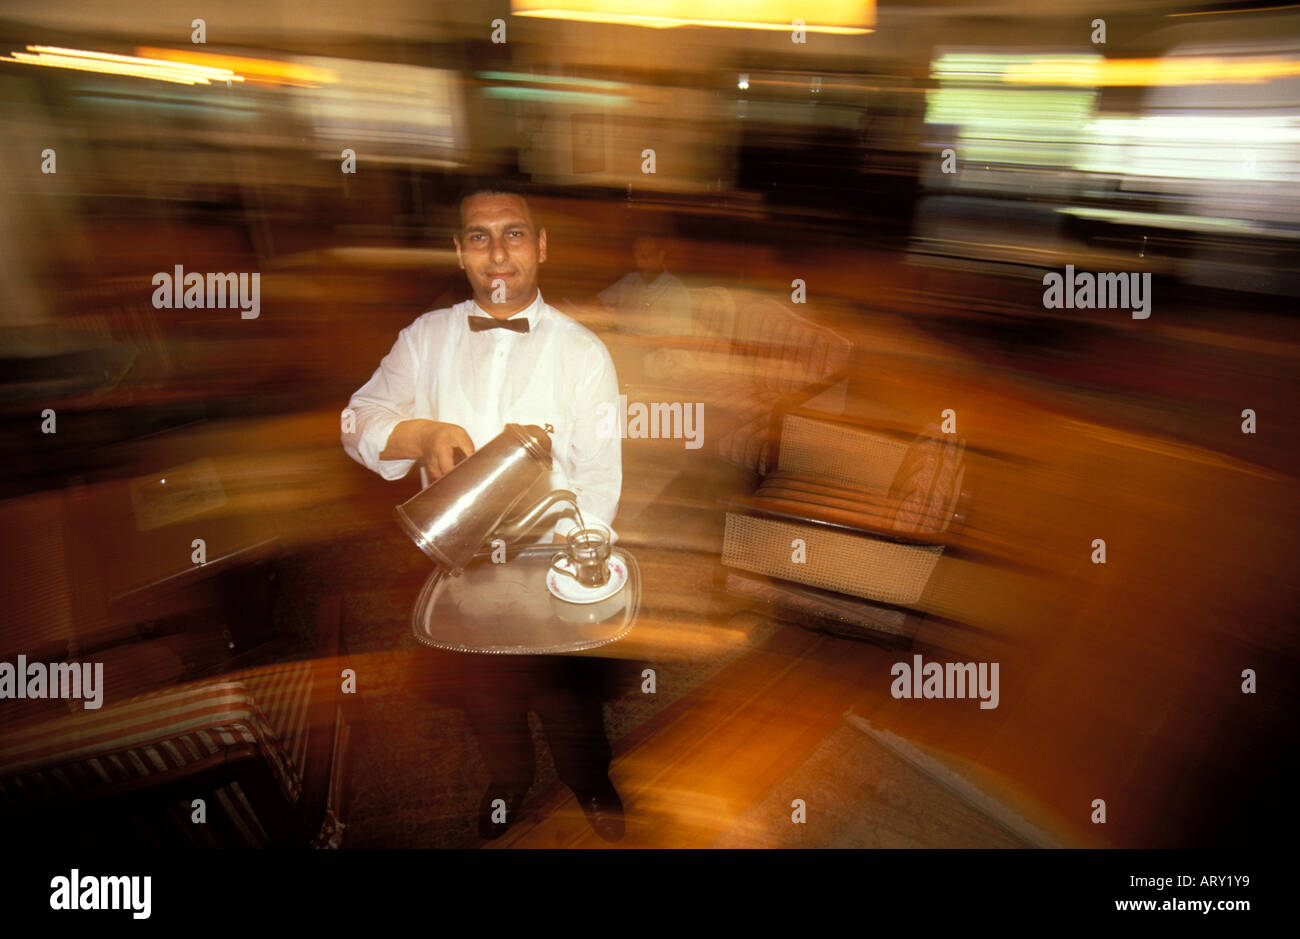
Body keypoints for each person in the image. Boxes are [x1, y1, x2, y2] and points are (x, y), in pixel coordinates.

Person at [341, 183, 626, 842]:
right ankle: (508, 777)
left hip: (551, 568)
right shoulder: (425, 338)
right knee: (486, 699)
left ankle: (590, 780)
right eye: (479, 236)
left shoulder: (584, 352)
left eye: (515, 233)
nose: (498, 252)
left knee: (570, 706)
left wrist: (575, 569)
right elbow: (357, 418)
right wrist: (417, 436)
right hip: (459, 567)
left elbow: (599, 479)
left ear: (541, 246)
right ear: (460, 253)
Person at [599, 236, 696, 380]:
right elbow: (598, 302)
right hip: (624, 347)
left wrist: (640, 341)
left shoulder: (676, 290)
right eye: (636, 254)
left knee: (663, 362)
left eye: (645, 254)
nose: (638, 260)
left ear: (660, 256)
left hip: (655, 352)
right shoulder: (629, 280)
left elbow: (680, 340)